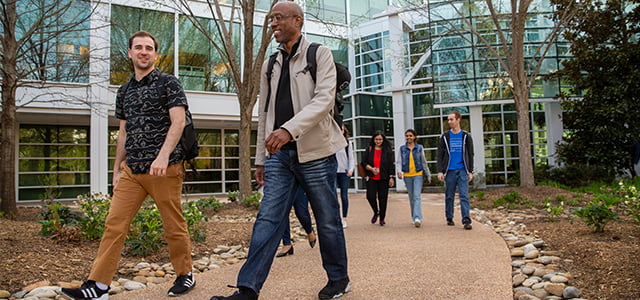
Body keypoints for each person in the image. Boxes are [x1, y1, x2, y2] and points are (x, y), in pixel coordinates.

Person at [209, 2, 350, 300]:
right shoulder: (270, 62)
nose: (273, 23)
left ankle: (339, 279)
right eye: (271, 18)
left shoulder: (319, 54)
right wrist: (261, 157)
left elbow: (324, 100)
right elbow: (266, 112)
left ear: (297, 21)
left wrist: (289, 130)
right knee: (268, 219)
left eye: (278, 18)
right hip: (279, 158)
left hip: (315, 153)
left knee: (326, 218)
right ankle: (247, 289)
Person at [60, 31, 195, 300]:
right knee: (114, 225)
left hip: (164, 170)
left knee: (173, 225)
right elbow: (123, 132)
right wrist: (116, 169)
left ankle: (185, 275)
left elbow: (178, 122)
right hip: (133, 171)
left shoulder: (169, 83)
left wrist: (163, 156)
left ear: (155, 54)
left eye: (149, 48)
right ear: (131, 53)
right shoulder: (124, 91)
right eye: (138, 48)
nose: (144, 52)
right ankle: (98, 285)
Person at [436, 111, 474, 230]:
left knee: (464, 196)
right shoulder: (445, 137)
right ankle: (449, 217)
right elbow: (439, 155)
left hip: (462, 170)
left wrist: (470, 171)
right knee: (449, 196)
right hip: (450, 171)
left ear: (458, 120)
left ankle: (466, 220)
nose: (449, 122)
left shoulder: (466, 136)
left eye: (451, 119)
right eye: (448, 120)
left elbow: (470, 154)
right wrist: (440, 171)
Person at [396, 129, 432, 228]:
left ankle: (417, 218)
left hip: (418, 174)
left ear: (414, 137)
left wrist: (428, 174)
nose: (409, 138)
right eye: (407, 136)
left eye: (410, 136)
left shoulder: (419, 148)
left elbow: (424, 162)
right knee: (412, 197)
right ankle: (414, 217)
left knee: (416, 196)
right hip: (407, 175)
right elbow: (399, 161)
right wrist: (399, 172)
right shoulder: (402, 149)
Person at [361, 130, 395, 226]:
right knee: (370, 196)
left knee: (383, 198)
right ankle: (376, 212)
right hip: (372, 177)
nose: (378, 141)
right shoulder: (369, 149)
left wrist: (391, 177)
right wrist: (371, 169)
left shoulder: (387, 151)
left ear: (383, 140)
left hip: (384, 178)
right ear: (373, 139)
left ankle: (382, 218)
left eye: (380, 139)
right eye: (376, 139)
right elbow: (364, 163)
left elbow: (390, 165)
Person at [275, 187, 317, 257]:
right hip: (282, 181)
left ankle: (309, 231)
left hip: (299, 181)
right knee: (282, 212)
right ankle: (287, 243)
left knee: (301, 212)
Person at [335, 125, 356, 228]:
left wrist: (351, 170)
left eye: (341, 129)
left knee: (344, 196)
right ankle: (335, 217)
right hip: (333, 172)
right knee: (333, 196)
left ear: (344, 131)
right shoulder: (331, 142)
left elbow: (351, 158)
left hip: (344, 172)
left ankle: (344, 218)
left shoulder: (347, 143)